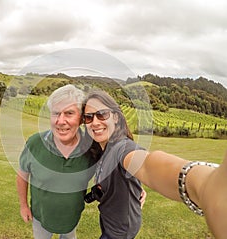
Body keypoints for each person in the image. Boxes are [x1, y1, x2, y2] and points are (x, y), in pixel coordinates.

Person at [82, 89, 227, 239]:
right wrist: (135, 188)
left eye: (102, 114)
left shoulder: (122, 148)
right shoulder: (101, 149)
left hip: (119, 232)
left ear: (116, 117)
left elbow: (147, 166)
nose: (95, 122)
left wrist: (204, 186)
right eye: (88, 117)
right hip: (110, 222)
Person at [16, 84, 100, 239]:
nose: (61, 121)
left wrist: (133, 188)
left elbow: (113, 170)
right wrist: (23, 206)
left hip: (71, 220)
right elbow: (22, 175)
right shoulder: (35, 143)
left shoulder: (93, 149)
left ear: (81, 118)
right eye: (56, 113)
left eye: (69, 113)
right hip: (40, 218)